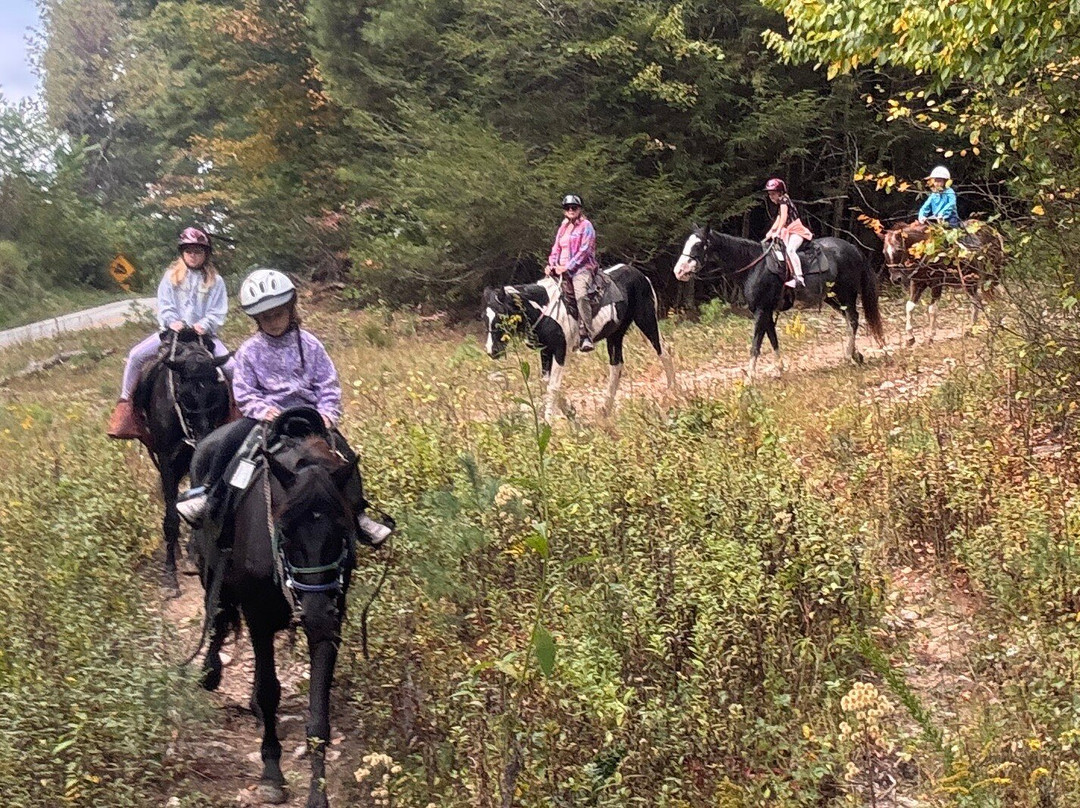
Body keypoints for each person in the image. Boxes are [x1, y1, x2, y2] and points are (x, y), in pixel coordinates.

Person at [177, 268, 391, 547]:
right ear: (256, 319)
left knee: (345, 456)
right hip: (266, 418)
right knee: (231, 442)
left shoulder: (311, 345)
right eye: (266, 317)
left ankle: (360, 515)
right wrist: (264, 410)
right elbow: (244, 391)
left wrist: (327, 415)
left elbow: (328, 385)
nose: (274, 321)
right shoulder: (250, 350)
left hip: (309, 418)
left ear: (290, 309)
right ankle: (210, 496)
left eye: (278, 313)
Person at [107, 226, 232, 439]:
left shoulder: (215, 281)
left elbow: (218, 310)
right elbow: (165, 305)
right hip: (172, 334)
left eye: (198, 251)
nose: (193, 255)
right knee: (136, 355)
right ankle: (126, 409)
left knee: (232, 367)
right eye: (189, 251)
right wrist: (172, 321)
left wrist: (205, 324)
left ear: (206, 254)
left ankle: (236, 413)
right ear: (182, 253)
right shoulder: (171, 277)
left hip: (204, 337)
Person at [545, 194, 599, 352]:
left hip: (581, 269)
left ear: (579, 209)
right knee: (544, 293)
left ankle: (586, 334)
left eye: (573, 207)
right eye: (567, 208)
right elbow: (556, 248)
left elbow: (585, 250)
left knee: (581, 295)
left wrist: (567, 267)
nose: (570, 210)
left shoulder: (586, 226)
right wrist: (551, 265)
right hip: (561, 268)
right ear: (564, 211)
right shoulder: (562, 228)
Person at [764, 178, 814, 288]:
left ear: (780, 193)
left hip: (796, 230)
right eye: (769, 194)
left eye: (773, 194)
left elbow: (784, 218)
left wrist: (777, 232)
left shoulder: (784, 201)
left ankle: (799, 278)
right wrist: (770, 232)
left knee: (790, 250)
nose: (771, 196)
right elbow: (778, 219)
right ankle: (789, 275)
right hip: (788, 231)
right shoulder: (781, 204)